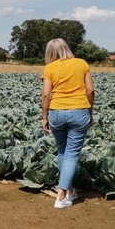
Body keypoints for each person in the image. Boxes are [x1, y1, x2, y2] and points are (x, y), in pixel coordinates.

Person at [41, 38, 95, 209]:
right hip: (79, 111)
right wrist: (90, 111)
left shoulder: (50, 68)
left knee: (63, 152)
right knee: (71, 154)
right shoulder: (82, 64)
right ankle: (61, 195)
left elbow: (45, 95)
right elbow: (90, 90)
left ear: (51, 52)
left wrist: (44, 116)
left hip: (56, 112)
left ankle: (70, 190)